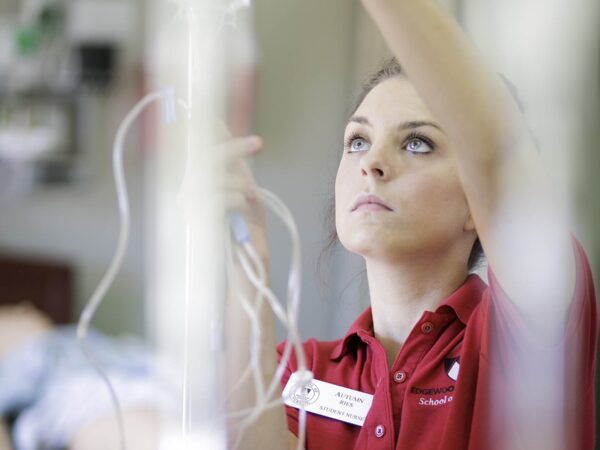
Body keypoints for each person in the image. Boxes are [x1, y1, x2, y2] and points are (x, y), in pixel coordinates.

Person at [222, 0, 598, 449]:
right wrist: (246, 262)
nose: (373, 163)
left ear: (477, 201)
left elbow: (497, 151)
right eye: (358, 140)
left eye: (418, 143)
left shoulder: (529, 335)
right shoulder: (297, 371)